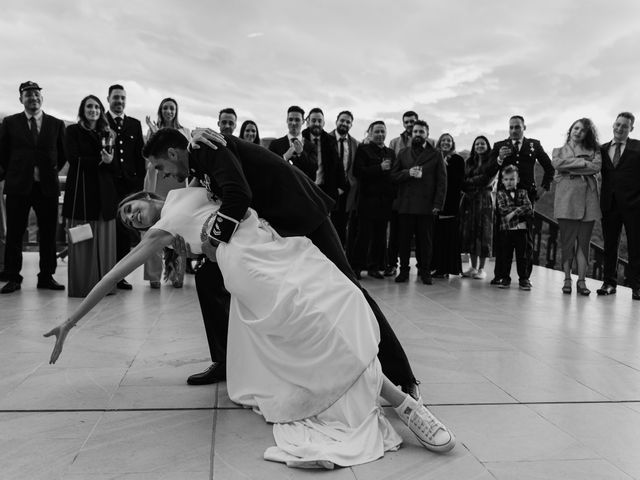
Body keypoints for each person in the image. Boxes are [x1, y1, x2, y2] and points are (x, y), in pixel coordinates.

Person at [44, 187, 456, 467]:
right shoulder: (163, 230)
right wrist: (71, 321)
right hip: (253, 273)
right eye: (129, 221)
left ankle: (396, 399)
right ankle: (404, 404)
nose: (133, 218)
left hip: (276, 249)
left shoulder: (188, 191)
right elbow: (116, 272)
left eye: (131, 208)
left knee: (342, 308)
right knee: (321, 327)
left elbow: (237, 184)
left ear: (147, 196)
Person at [145, 128, 420, 398]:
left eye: (160, 166)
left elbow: (238, 195)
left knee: (351, 288)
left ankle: (403, 377)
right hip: (274, 228)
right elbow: (198, 205)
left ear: (172, 152)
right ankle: (226, 361)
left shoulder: (206, 147)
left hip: (302, 215)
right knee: (208, 278)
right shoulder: (197, 162)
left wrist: (213, 242)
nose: (163, 174)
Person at [0, 81, 67, 294]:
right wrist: (12, 172)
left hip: (46, 186)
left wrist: (50, 170)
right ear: (21, 99)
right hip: (18, 186)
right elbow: (2, 152)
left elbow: (63, 153)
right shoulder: (10, 122)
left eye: (36, 94)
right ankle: (13, 276)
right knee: (15, 233)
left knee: (48, 234)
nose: (33, 98)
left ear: (42, 98)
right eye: (28, 95)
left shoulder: (56, 124)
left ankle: (46, 276)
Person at [485, 116, 554, 287]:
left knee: (525, 239)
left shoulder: (534, 145)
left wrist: (543, 188)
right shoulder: (500, 146)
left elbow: (549, 168)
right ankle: (501, 275)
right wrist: (499, 159)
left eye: (517, 127)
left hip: (526, 198)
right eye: (511, 127)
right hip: (504, 198)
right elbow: (488, 169)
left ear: (524, 127)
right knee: (503, 238)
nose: (514, 130)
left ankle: (524, 278)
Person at [62, 95, 118, 297]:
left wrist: (110, 161)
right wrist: (100, 161)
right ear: (82, 109)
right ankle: (83, 286)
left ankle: (105, 287)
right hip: (82, 195)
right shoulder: (72, 131)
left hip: (104, 195)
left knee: (104, 243)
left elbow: (116, 167)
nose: (93, 109)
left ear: (101, 110)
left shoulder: (109, 133)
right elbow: (73, 158)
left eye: (96, 106)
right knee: (82, 241)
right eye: (89, 106)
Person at [391, 120, 446, 284]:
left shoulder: (436, 154)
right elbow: (393, 176)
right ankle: (404, 271)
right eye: (415, 132)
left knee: (425, 241)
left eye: (421, 132)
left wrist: (438, 204)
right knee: (404, 241)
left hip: (427, 205)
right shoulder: (402, 153)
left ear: (427, 135)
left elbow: (442, 181)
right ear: (411, 133)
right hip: (406, 204)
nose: (418, 134)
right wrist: (408, 173)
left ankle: (425, 271)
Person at [143, 97, 190, 288]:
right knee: (155, 227)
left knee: (177, 228)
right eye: (165, 108)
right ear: (160, 111)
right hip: (157, 182)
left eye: (172, 108)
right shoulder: (151, 130)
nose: (168, 111)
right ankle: (154, 275)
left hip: (177, 183)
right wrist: (155, 134)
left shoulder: (184, 131)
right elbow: (150, 158)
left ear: (176, 111)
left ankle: (176, 274)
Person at [551, 118, 602, 296]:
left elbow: (596, 167)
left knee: (584, 244)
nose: (578, 132)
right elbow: (557, 164)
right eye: (576, 128)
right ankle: (567, 279)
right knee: (567, 242)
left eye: (582, 130)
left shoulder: (594, 150)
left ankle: (581, 280)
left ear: (588, 134)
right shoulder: (558, 151)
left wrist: (570, 167)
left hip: (589, 201)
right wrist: (583, 163)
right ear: (570, 129)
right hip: (566, 201)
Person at [105, 84, 146, 290]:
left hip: (128, 187)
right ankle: (103, 271)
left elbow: (140, 157)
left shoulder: (134, 124)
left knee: (123, 231)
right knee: (106, 229)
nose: (119, 101)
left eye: (122, 98)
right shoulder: (101, 121)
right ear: (108, 99)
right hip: (106, 184)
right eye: (115, 98)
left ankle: (119, 275)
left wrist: (139, 188)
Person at [597, 112, 640, 301]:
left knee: (636, 247)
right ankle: (609, 283)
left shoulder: (638, 147)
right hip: (609, 205)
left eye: (625, 125)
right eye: (618, 124)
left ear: (631, 128)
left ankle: (637, 287)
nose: (620, 128)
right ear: (613, 125)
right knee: (610, 245)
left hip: (635, 206)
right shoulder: (602, 149)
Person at [352, 121, 397, 280]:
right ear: (370, 133)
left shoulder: (390, 152)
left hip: (384, 202)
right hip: (366, 201)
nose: (380, 134)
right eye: (376, 131)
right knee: (363, 236)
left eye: (382, 131)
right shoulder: (363, 150)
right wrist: (379, 168)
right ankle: (357, 267)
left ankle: (374, 267)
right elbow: (358, 172)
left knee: (379, 237)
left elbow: (393, 176)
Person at [459, 136, 495, 279]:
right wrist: (475, 181)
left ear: (487, 146)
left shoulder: (492, 162)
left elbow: (487, 180)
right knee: (470, 233)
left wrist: (470, 182)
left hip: (484, 200)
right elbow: (462, 181)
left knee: (483, 233)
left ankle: (481, 269)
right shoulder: (468, 162)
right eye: (477, 144)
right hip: (469, 200)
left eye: (483, 143)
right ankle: (472, 267)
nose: (480, 146)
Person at [494, 165, 534, 290]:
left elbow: (529, 208)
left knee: (522, 256)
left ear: (517, 179)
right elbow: (502, 209)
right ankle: (505, 278)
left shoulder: (523, 192)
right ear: (502, 181)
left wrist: (512, 213)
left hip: (521, 230)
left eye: (512, 179)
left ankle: (524, 279)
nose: (509, 182)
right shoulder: (500, 194)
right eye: (506, 179)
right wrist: (518, 209)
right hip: (506, 231)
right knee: (506, 255)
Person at [431, 133, 464, 278]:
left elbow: (459, 181)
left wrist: (446, 167)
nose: (446, 143)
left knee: (448, 237)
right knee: (436, 236)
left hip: (450, 202)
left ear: (453, 143)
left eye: (448, 141)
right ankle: (435, 266)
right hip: (435, 202)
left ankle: (446, 268)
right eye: (443, 140)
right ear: (439, 143)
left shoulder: (457, 159)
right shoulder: (433, 158)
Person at [301, 107, 347, 202]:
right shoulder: (301, 139)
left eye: (319, 121)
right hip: (304, 188)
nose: (317, 124)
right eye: (313, 120)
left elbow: (338, 163)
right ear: (308, 122)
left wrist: (341, 187)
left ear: (324, 123)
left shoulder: (331, 140)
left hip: (325, 190)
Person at [329, 110, 360, 248]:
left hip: (347, 189)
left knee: (342, 225)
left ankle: (341, 258)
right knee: (328, 224)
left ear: (351, 125)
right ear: (336, 121)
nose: (344, 123)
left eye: (348, 122)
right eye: (342, 120)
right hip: (329, 188)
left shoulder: (355, 143)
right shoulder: (326, 138)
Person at [268, 105, 318, 179]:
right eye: (290, 119)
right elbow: (269, 168)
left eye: (297, 120)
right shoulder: (275, 144)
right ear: (287, 120)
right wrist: (285, 157)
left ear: (303, 121)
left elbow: (313, 173)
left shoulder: (311, 146)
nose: (293, 123)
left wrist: (301, 153)